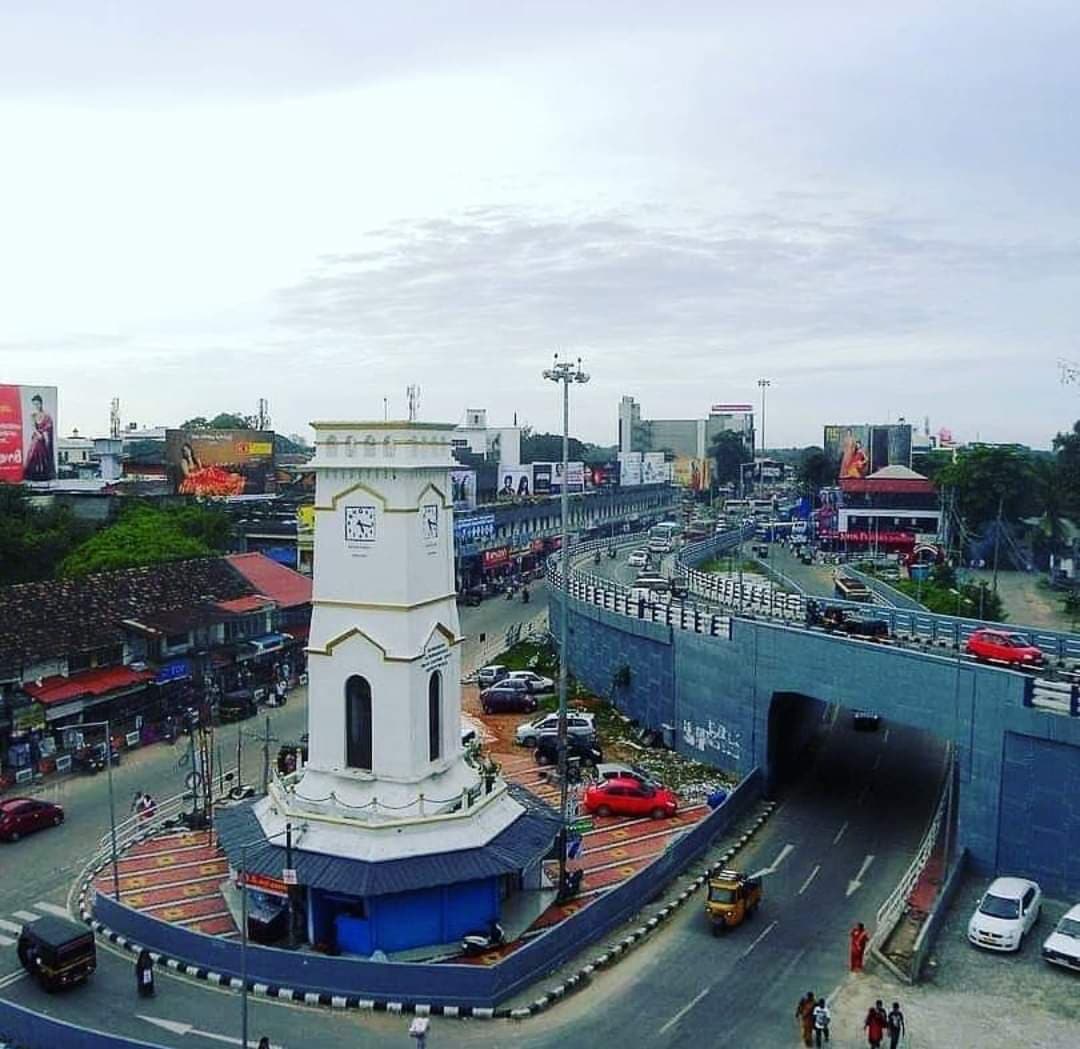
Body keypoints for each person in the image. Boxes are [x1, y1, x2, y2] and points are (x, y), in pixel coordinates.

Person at [23, 393, 56, 481]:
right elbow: (33, 427)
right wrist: (38, 434)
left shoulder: (47, 415)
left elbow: (49, 426)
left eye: (37, 404)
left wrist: (44, 434)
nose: (36, 406)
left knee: (44, 456)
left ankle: (44, 475)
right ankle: (33, 475)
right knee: (33, 453)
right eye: (34, 404)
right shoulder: (33, 415)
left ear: (41, 403)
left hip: (44, 439)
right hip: (37, 437)